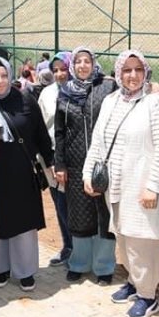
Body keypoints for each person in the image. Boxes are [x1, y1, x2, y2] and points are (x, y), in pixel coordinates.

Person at [83, 50, 159, 317]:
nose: (132, 76)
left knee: (143, 240)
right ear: (118, 72)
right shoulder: (111, 100)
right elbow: (98, 140)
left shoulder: (157, 103)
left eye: (138, 70)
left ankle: (148, 296)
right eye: (126, 70)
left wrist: (153, 186)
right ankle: (135, 282)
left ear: (146, 72)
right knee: (122, 234)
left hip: (142, 185)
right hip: (116, 185)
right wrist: (88, 173)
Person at [0, 56, 54, 291]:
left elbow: (41, 134)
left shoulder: (25, 100)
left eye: (3, 75)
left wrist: (50, 162)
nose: (0, 81)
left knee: (23, 222)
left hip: (22, 170)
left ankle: (25, 271)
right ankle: (1, 268)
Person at [55, 47, 117, 284]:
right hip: (74, 162)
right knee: (79, 215)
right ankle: (79, 263)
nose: (82, 65)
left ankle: (104, 267)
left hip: (103, 163)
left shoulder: (107, 87)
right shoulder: (64, 92)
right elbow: (59, 132)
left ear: (94, 63)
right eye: (78, 61)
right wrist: (59, 163)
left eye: (87, 61)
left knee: (103, 215)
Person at [37, 51, 74, 266]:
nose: (60, 74)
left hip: (76, 159)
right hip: (52, 160)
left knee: (79, 207)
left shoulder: (82, 91)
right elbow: (41, 128)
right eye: (56, 70)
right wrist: (46, 160)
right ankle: (68, 247)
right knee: (60, 206)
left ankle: (82, 251)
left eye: (64, 69)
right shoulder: (47, 94)